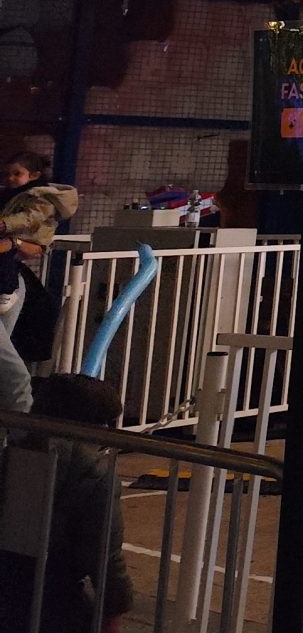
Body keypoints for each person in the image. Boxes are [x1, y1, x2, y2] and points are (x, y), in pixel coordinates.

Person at [0, 374, 134, 633]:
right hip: (54, 598)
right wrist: (114, 612)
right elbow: (105, 557)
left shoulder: (12, 455)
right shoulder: (94, 475)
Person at [0, 151, 76, 370]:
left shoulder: (38, 198)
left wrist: (6, 228)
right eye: (8, 173)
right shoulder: (14, 195)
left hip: (18, 246)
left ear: (33, 175)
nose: (10, 178)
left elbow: (28, 220)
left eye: (17, 174)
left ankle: (7, 290)